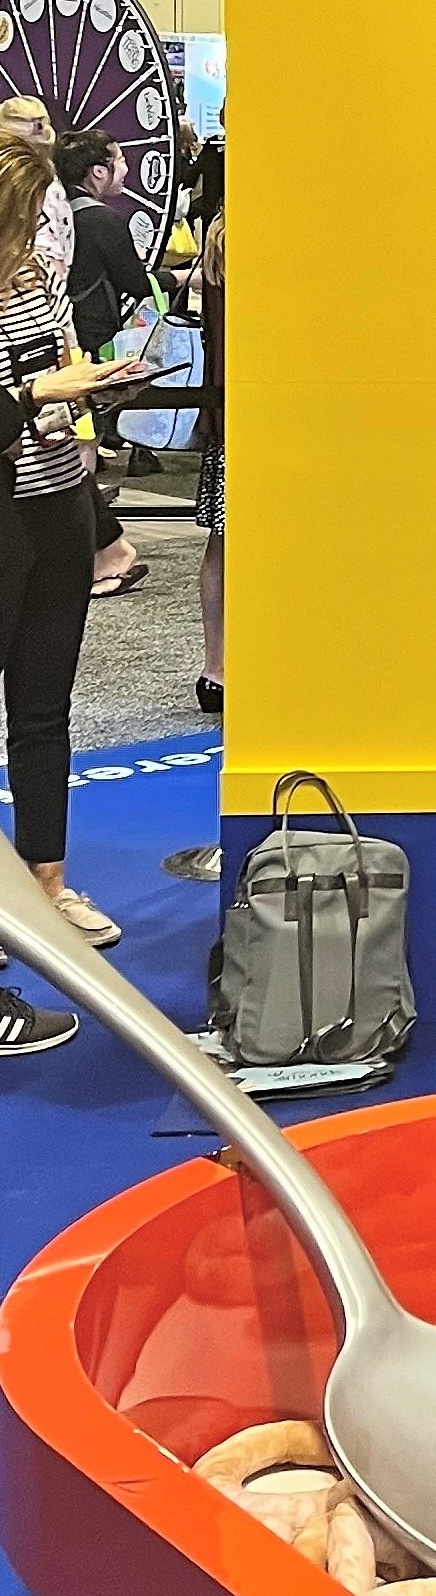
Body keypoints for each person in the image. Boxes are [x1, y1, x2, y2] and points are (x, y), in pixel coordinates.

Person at [0, 137, 149, 1049]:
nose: (55, 232)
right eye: (39, 217)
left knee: (45, 706)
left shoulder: (39, 289)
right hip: (2, 517)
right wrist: (32, 392)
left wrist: (74, 396)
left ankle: (48, 889)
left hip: (57, 502)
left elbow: (52, 386)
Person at [55, 130, 155, 578]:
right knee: (84, 440)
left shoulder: (55, 216)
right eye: (119, 161)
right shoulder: (103, 220)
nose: (127, 170)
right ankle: (91, 554)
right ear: (99, 171)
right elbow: (135, 281)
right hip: (88, 344)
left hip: (52, 343)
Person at [193, 198, 223, 718]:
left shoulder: (219, 235)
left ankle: (214, 668)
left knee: (224, 544)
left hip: (226, 414)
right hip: (262, 414)